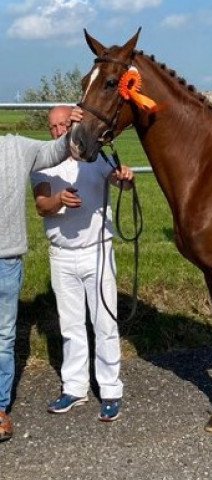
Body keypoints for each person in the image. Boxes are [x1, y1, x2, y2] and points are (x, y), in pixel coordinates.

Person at [31, 105, 134, 423]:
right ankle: (74, 388)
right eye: (53, 127)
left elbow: (122, 184)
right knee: (71, 325)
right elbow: (42, 206)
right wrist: (59, 200)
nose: (59, 131)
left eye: (64, 123)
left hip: (97, 251)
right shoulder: (42, 163)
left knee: (105, 322)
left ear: (74, 123)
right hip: (61, 255)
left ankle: (110, 390)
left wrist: (126, 179)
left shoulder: (96, 153)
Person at [0, 106, 83, 442]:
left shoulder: (15, 147)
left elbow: (54, 150)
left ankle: (0, 408)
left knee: (4, 338)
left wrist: (76, 128)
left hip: (7, 260)